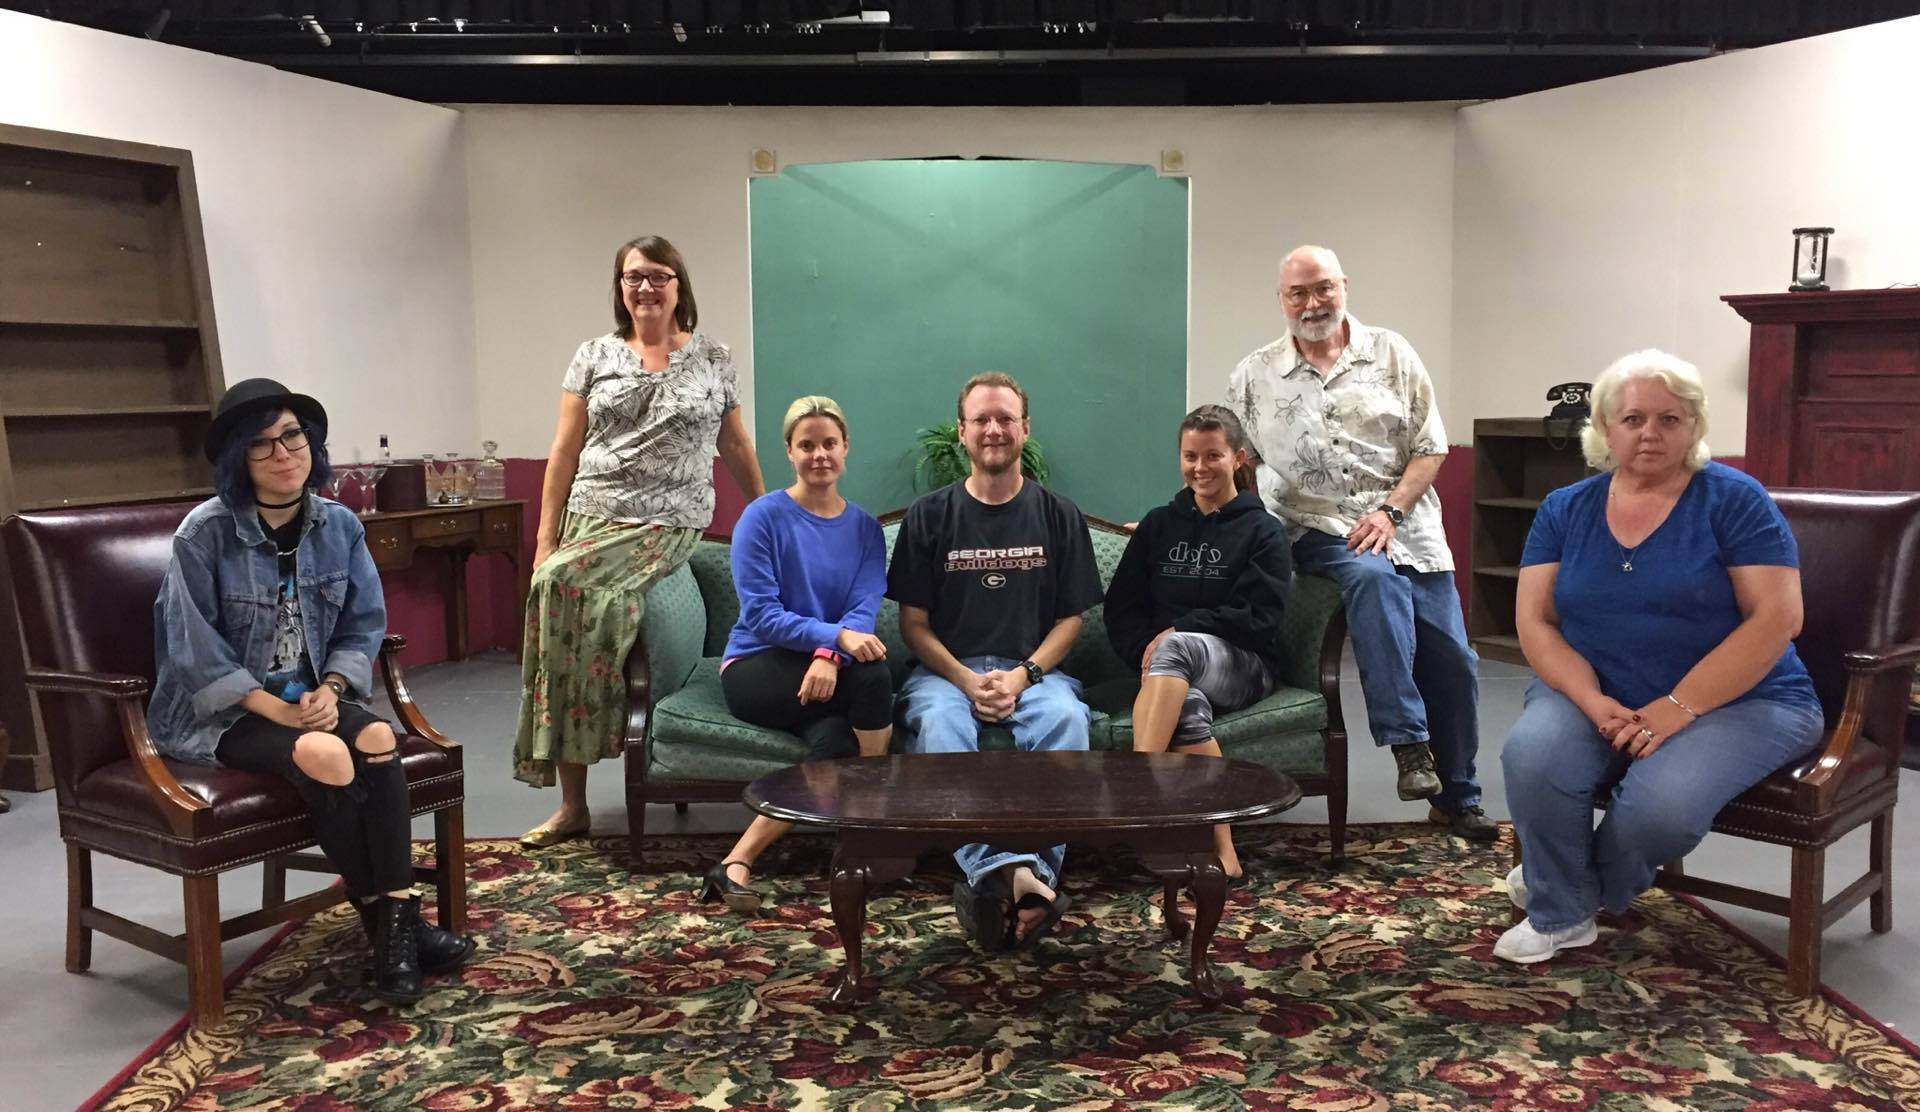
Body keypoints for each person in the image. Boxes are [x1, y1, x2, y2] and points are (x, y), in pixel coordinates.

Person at [147, 378, 476, 1005]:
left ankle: (396, 919)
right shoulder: (204, 533)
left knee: (375, 735)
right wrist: (275, 708)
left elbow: (362, 622)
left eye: (292, 436)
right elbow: (192, 648)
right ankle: (393, 931)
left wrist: (332, 686)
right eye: (262, 444)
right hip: (223, 712)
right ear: (239, 459)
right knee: (326, 754)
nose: (283, 453)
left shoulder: (339, 525)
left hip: (308, 696)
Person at [1495, 350, 1823, 963]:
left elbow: (1779, 619)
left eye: (1670, 419)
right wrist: (1591, 700)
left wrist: (1678, 706)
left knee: (1660, 812)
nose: (1651, 433)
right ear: (1605, 427)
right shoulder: (1564, 508)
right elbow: (1534, 622)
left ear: (1694, 425)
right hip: (1601, 688)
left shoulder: (1735, 500)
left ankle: (1567, 889)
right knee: (1532, 756)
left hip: (1746, 700)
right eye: (1634, 418)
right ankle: (1562, 915)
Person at [1227, 244, 1494, 842]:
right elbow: (1239, 462)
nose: (1312, 303)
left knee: (1453, 660)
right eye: (1298, 293)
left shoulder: (1392, 352)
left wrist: (1391, 511)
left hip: (1409, 528)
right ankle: (1407, 743)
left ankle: (1458, 797)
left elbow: (1430, 447)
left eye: (1323, 287)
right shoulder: (1253, 374)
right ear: (1280, 300)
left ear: (1343, 286)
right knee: (1372, 577)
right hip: (1318, 528)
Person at [514, 235, 765, 846]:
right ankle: (572, 803)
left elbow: (734, 443)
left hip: (668, 521)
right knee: (552, 587)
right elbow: (564, 451)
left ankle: (608, 728)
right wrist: (546, 539)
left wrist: (767, 513)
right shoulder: (593, 354)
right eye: (633, 277)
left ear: (679, 285)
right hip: (592, 515)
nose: (645, 287)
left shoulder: (713, 356)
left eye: (658, 275)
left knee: (570, 588)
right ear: (620, 288)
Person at [887, 372, 1104, 951]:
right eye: (981, 419)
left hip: (1033, 671)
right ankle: (1022, 879)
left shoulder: (1059, 514)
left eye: (1005, 418)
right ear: (961, 431)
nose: (993, 429)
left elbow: (1071, 621)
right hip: (946, 673)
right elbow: (913, 626)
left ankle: (1003, 879)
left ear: (1025, 429)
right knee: (939, 723)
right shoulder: (928, 516)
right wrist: (964, 679)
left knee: (1068, 719)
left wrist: (1023, 676)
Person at [697, 396, 893, 913]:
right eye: (807, 445)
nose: (819, 454)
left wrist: (829, 655)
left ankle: (735, 862)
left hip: (823, 671)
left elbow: (864, 608)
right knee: (874, 677)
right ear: (789, 451)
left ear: (846, 448)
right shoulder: (761, 518)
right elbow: (762, 615)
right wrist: (835, 644)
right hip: (757, 666)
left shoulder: (865, 529)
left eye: (829, 443)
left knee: (836, 739)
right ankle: (872, 830)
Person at [1106, 405, 1292, 882]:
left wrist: (1179, 630)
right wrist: (1145, 654)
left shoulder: (1263, 531)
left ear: (1239, 458)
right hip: (1168, 672)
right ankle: (1222, 848)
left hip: (1245, 664)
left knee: (1177, 647)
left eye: (1213, 456)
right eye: (1190, 456)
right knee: (1188, 707)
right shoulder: (1158, 525)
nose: (1200, 467)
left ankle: (1141, 799)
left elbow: (1259, 620)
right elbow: (1122, 609)